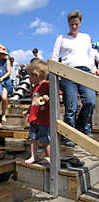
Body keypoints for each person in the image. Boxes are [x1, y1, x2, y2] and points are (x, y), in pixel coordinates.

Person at [52, 10, 96, 147]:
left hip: (85, 71)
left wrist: (93, 69)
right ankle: (69, 135)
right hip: (68, 72)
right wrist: (56, 72)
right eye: (71, 24)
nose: (74, 27)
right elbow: (54, 56)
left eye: (76, 24)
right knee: (71, 106)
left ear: (80, 23)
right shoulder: (61, 38)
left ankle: (82, 127)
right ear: (68, 24)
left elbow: (90, 56)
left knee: (90, 101)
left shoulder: (86, 37)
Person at [23, 59, 50, 164]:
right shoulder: (35, 88)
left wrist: (48, 97)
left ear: (36, 75)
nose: (29, 78)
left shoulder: (47, 85)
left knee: (45, 139)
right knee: (32, 138)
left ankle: (48, 156)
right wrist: (28, 111)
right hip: (33, 118)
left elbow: (58, 95)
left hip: (43, 119)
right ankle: (33, 156)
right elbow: (33, 102)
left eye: (30, 76)